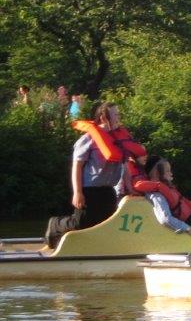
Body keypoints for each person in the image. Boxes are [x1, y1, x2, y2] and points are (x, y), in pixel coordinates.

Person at [44, 101, 146, 248]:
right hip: (90, 189)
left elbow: (125, 166)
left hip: (108, 189)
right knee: (80, 223)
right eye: (115, 115)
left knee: (105, 224)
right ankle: (55, 224)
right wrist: (78, 193)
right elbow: (77, 167)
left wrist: (130, 188)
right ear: (104, 118)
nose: (119, 117)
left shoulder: (119, 140)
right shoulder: (88, 139)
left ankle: (95, 250)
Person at [133, 156, 191, 241]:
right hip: (187, 222)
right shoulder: (157, 195)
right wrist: (188, 228)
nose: (171, 173)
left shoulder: (165, 188)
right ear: (158, 174)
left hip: (189, 216)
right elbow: (165, 218)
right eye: (167, 171)